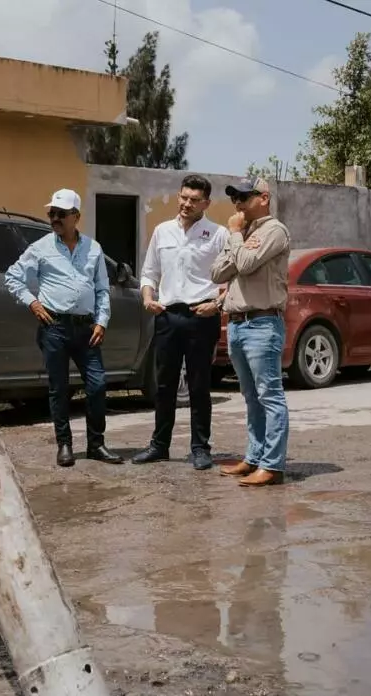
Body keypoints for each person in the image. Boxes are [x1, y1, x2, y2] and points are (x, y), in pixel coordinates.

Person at [4, 189, 124, 468]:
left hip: (87, 329)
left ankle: (96, 444)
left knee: (97, 385)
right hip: (54, 327)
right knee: (59, 388)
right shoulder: (40, 248)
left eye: (61, 214)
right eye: (52, 213)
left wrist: (102, 321)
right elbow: (13, 277)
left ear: (76, 217)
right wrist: (32, 303)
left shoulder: (93, 249)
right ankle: (65, 445)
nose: (55, 218)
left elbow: (103, 289)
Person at [132, 175, 228, 471]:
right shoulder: (162, 232)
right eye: (184, 197)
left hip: (201, 316)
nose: (187, 204)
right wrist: (148, 298)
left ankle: (200, 448)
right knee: (164, 385)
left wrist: (217, 305)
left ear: (206, 203)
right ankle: (160, 445)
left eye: (194, 199)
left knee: (199, 385)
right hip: (168, 316)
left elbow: (229, 278)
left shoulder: (218, 234)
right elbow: (149, 273)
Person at [210, 177, 291, 487]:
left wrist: (233, 236)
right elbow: (217, 271)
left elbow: (243, 264)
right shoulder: (245, 234)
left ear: (264, 198)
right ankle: (254, 457)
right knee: (250, 397)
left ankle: (273, 465)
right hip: (238, 323)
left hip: (262, 323)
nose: (238, 203)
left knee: (269, 395)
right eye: (235, 198)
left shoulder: (274, 231)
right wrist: (237, 239)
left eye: (245, 196)